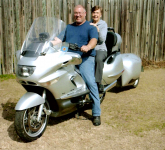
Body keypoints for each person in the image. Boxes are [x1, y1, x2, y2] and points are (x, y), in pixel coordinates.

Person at [51, 5, 101, 126]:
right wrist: (49, 42)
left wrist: (88, 47)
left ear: (84, 14)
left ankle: (96, 113)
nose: (77, 15)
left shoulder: (90, 27)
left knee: (90, 82)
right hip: (68, 58)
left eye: (80, 13)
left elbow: (94, 40)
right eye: (75, 13)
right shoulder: (69, 27)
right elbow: (58, 39)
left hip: (84, 58)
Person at [90, 6, 107, 92]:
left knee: (98, 59)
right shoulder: (88, 23)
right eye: (94, 12)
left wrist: (97, 29)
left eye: (97, 13)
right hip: (89, 47)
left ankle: (98, 82)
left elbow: (102, 40)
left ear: (100, 14)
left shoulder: (103, 24)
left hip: (100, 48)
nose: (95, 14)